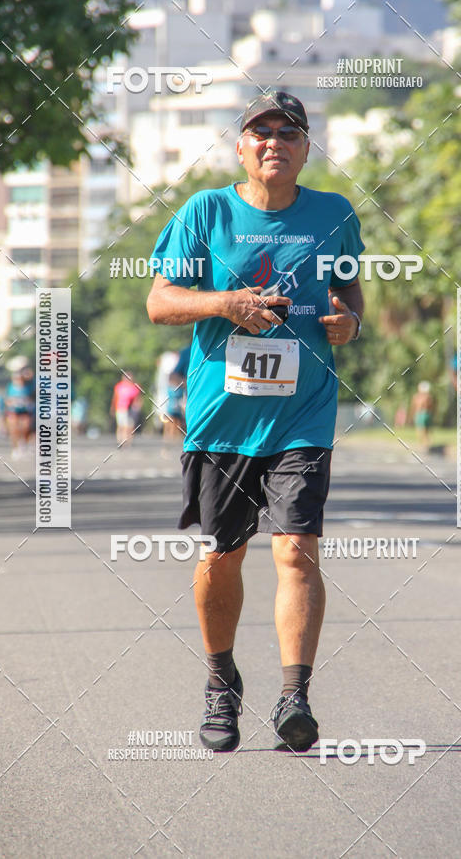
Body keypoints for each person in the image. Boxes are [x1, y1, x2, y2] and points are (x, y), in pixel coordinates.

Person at [147, 90, 364, 753]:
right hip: (222, 420)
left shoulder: (334, 215)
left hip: (304, 414)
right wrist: (227, 303)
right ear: (240, 147)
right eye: (260, 131)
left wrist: (347, 319)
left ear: (305, 147)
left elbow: (349, 289)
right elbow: (160, 303)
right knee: (222, 556)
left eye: (288, 131)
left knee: (296, 550)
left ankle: (294, 695)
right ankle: (220, 683)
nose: (274, 141)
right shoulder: (205, 212)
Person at [5, 367, 35, 457]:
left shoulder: (28, 386)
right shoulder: (11, 387)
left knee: (26, 427)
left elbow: (32, 378)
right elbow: (7, 400)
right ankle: (15, 448)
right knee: (14, 429)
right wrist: (11, 403)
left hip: (25, 411)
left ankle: (24, 444)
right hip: (13, 411)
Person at [110, 373, 142, 446]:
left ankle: (128, 441)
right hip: (121, 408)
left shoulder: (135, 387)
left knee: (129, 426)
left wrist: (137, 406)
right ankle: (120, 440)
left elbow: (138, 398)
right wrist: (113, 407)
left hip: (131, 409)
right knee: (121, 425)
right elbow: (115, 398)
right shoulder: (119, 386)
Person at [409, 381, 434, 450]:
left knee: (421, 429)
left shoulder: (417, 397)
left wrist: (412, 415)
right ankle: (425, 443)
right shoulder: (428, 397)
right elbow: (431, 406)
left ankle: (424, 443)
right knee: (426, 429)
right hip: (426, 413)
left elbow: (414, 407)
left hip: (421, 413)